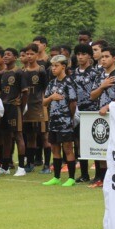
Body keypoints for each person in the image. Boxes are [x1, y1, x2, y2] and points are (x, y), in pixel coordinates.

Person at [89, 46, 115, 188]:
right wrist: (102, 86)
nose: (103, 59)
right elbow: (92, 96)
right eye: (102, 57)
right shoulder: (99, 76)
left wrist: (108, 106)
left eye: (106, 57)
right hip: (100, 117)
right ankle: (100, 177)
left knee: (113, 148)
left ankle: (112, 179)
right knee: (100, 147)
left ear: (114, 58)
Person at [42, 55, 78, 186]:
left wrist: (69, 117)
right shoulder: (52, 83)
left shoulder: (69, 82)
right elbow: (44, 102)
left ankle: (71, 178)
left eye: (56, 66)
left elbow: (73, 103)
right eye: (52, 66)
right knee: (54, 148)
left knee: (68, 149)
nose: (53, 68)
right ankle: (56, 177)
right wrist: (51, 97)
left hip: (65, 121)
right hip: (53, 121)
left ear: (64, 66)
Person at [0, 48, 29, 176]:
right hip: (4, 108)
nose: (5, 57)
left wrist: (21, 107)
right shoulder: (2, 73)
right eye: (4, 55)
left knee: (18, 135)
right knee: (5, 137)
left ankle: (21, 167)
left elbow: (25, 92)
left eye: (9, 55)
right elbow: (0, 92)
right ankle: (5, 166)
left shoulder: (19, 72)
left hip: (15, 107)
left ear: (15, 57)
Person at [72, 43, 99, 183]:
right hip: (78, 112)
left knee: (94, 143)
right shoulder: (73, 73)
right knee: (79, 143)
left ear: (89, 56)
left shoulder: (95, 73)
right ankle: (84, 174)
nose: (80, 57)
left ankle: (99, 174)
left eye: (83, 54)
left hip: (92, 111)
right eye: (78, 54)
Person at [22, 44, 49, 174]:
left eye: (31, 54)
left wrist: (45, 104)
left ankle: (47, 165)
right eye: (27, 54)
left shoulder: (41, 71)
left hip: (40, 107)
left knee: (44, 136)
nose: (29, 56)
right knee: (30, 137)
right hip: (27, 109)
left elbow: (46, 89)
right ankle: (30, 163)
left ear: (37, 55)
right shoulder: (23, 72)